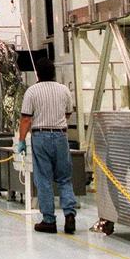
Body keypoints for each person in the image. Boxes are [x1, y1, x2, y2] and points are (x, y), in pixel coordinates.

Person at [16, 62, 78, 234]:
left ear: (38, 74)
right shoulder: (64, 90)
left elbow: (26, 119)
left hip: (40, 137)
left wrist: (21, 140)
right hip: (60, 136)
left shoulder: (32, 91)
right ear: (53, 73)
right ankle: (69, 214)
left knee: (44, 179)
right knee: (64, 178)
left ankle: (49, 220)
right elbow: (68, 112)